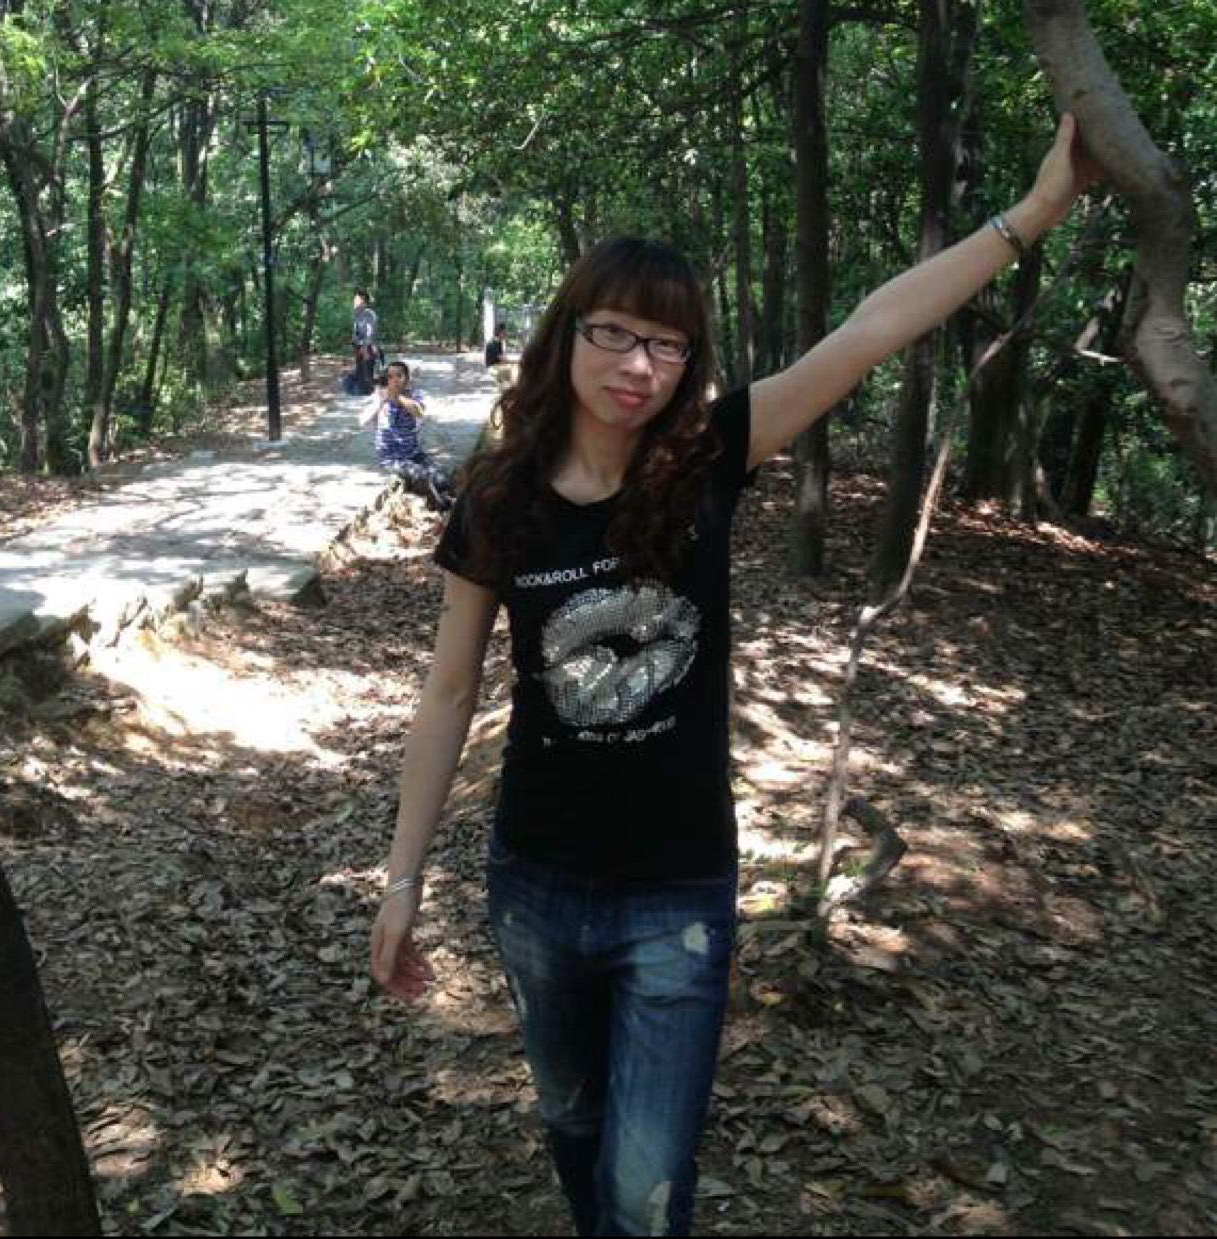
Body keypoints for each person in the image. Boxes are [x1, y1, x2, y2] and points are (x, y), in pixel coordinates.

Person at [370, 115, 1098, 1236]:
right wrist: (403, 878)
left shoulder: (707, 459)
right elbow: (449, 694)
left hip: (679, 890)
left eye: (668, 346)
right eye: (616, 334)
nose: (639, 365)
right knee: (571, 1118)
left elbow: (871, 329)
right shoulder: (499, 498)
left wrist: (1037, 212)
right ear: (567, 334)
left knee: (646, 1182)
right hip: (537, 884)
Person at [359, 361, 454, 511]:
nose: (395, 380)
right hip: (392, 458)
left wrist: (398, 397)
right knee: (422, 476)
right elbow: (362, 421)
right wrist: (380, 402)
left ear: (407, 379)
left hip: (414, 453)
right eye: (390, 377)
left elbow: (419, 412)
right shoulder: (380, 397)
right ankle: (441, 507)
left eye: (399, 376)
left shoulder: (414, 395)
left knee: (442, 476)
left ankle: (450, 501)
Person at [352, 290, 379, 395]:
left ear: (363, 301)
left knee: (367, 372)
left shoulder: (368, 314)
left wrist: (365, 348)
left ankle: (369, 393)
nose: (354, 301)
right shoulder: (357, 314)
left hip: (367, 347)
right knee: (360, 371)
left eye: (357, 299)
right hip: (359, 346)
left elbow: (369, 332)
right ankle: (362, 390)